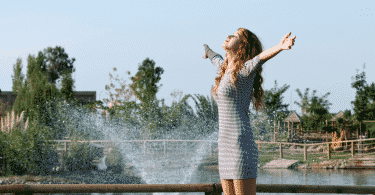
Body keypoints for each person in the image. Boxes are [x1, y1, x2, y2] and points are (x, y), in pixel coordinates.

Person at [203, 28, 296, 195]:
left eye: (234, 36)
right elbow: (215, 58)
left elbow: (261, 58)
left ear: (242, 46)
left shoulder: (244, 70)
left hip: (240, 145)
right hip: (224, 146)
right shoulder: (224, 69)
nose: (228, 36)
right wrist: (207, 50)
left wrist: (280, 46)